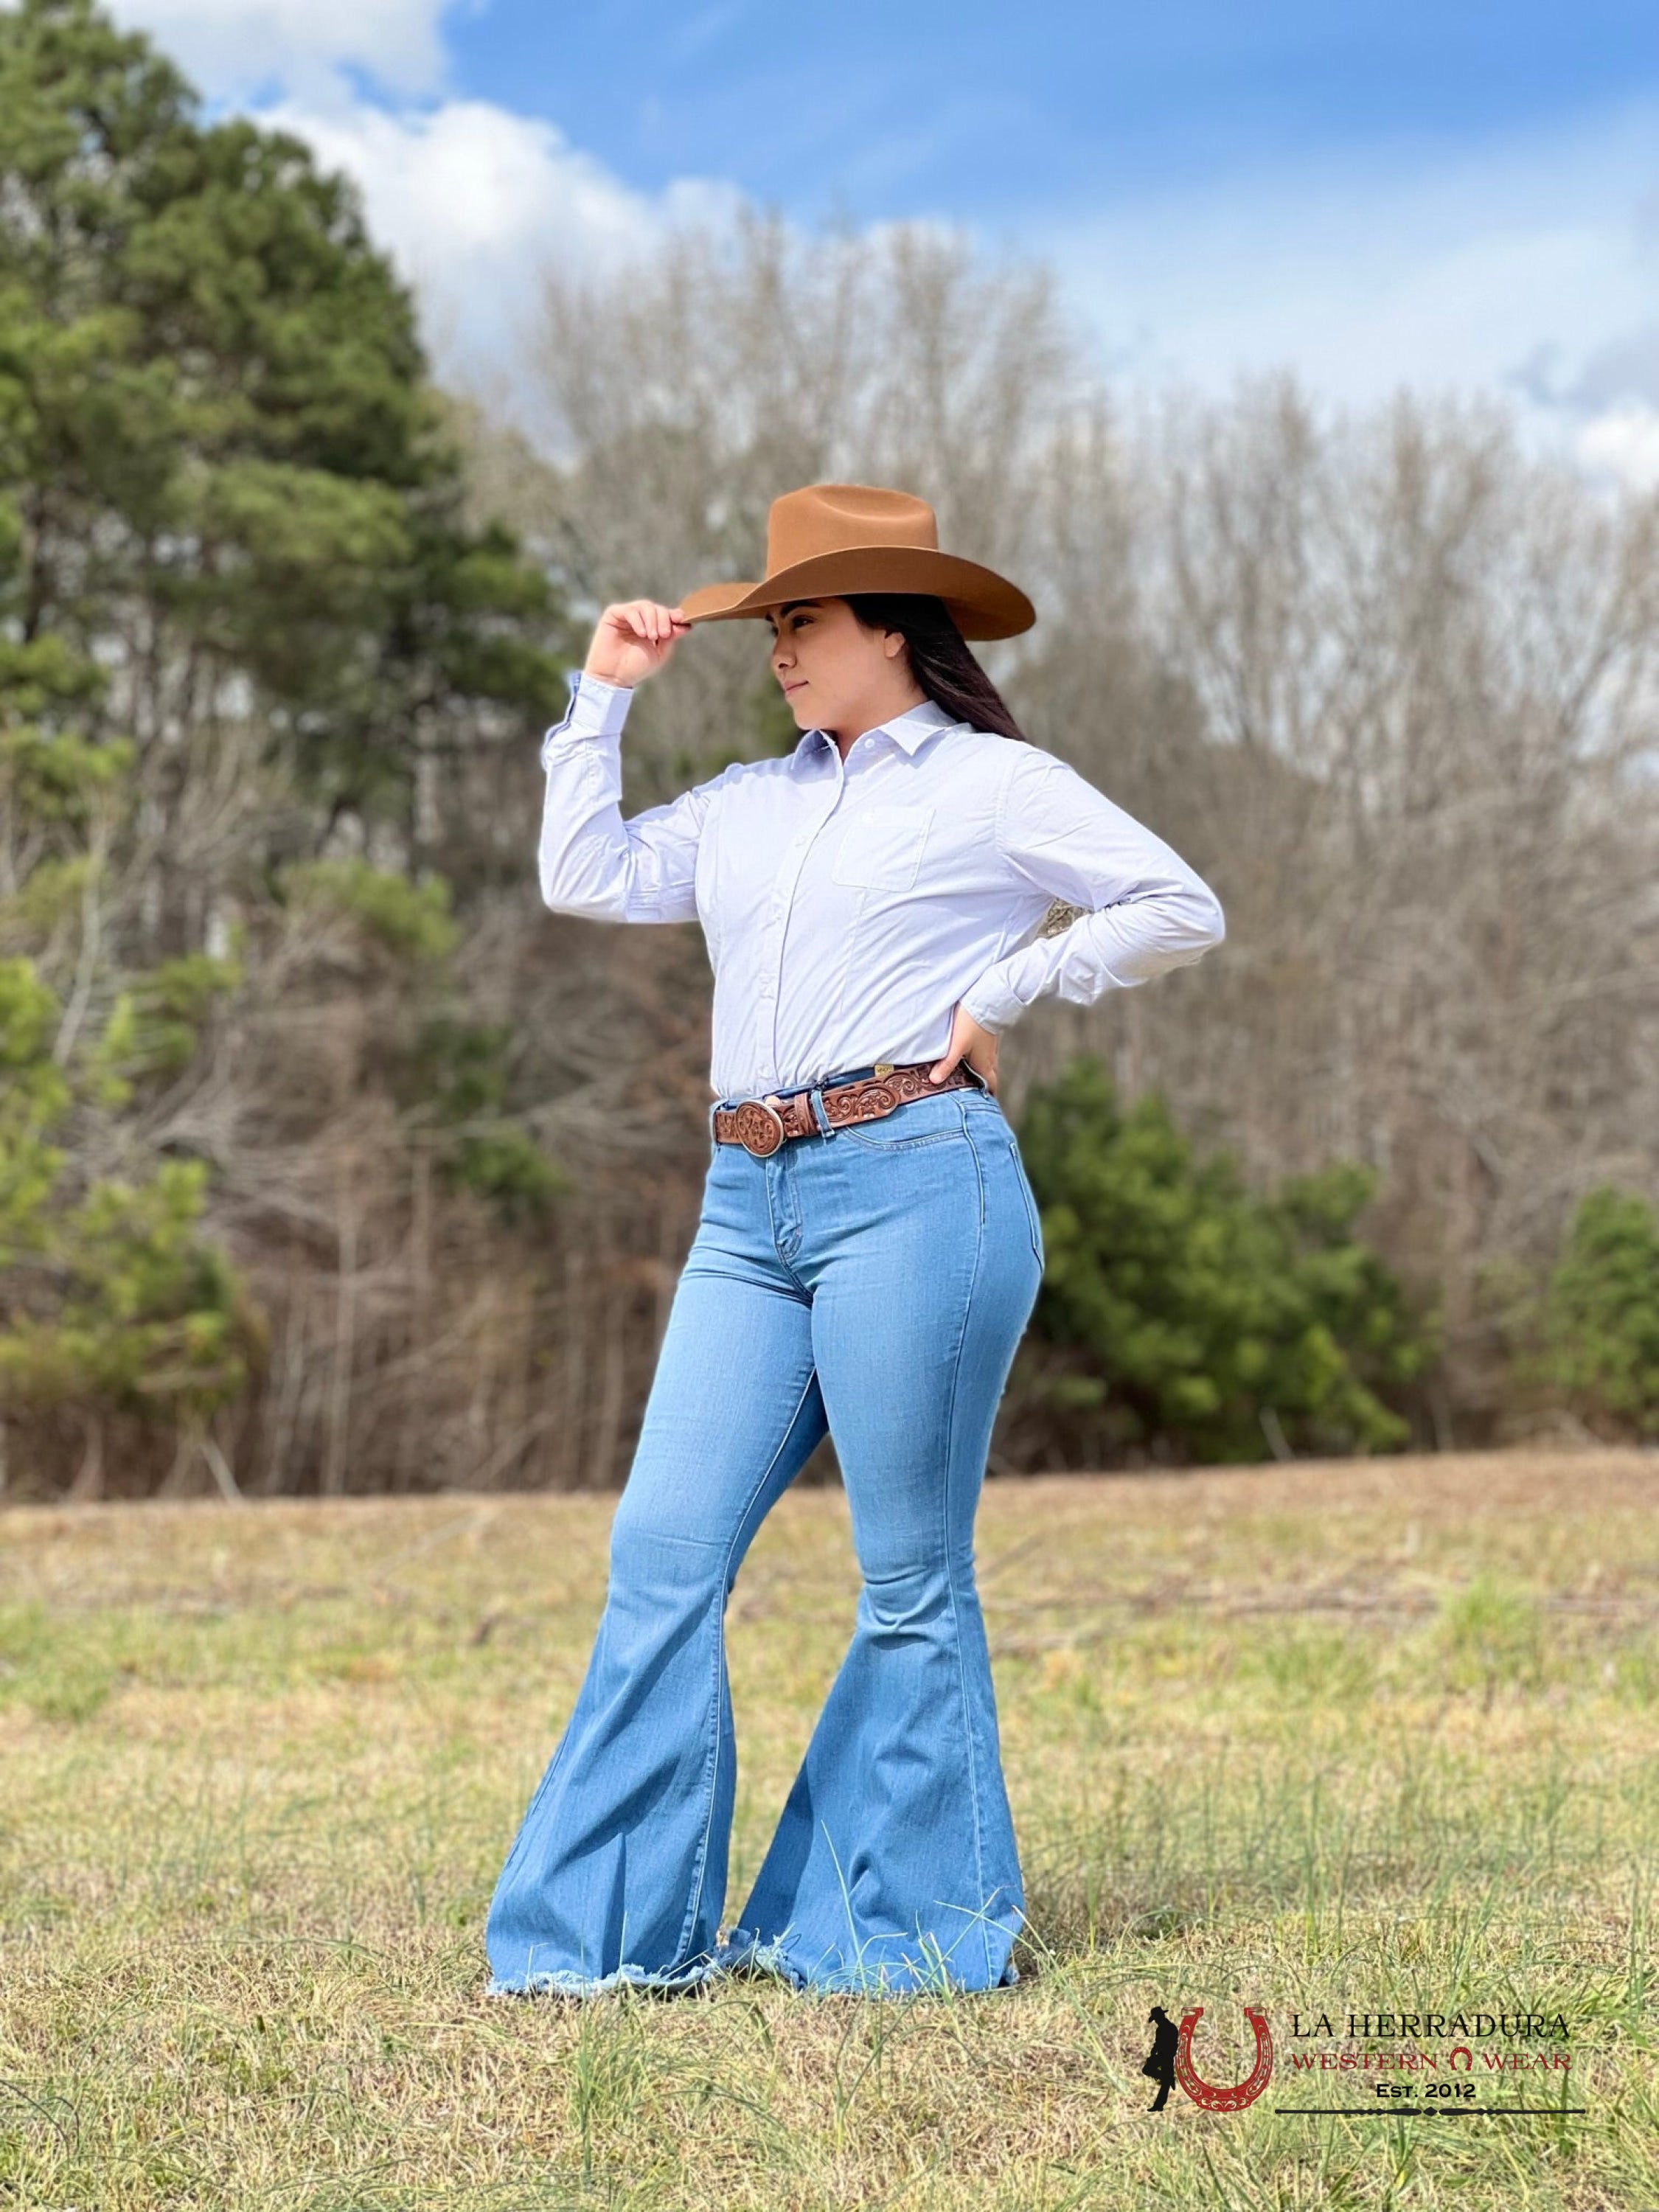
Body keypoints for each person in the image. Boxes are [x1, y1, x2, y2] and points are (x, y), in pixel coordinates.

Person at [484, 483, 1226, 1999]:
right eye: (769, 623)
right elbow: (588, 874)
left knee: (907, 1578)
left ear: (893, 624)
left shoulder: (989, 784)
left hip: (918, 1183)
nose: (776, 649)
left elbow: (1178, 902)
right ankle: (595, 1952)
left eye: (802, 619)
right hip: (744, 1209)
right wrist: (600, 703)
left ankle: (896, 1941)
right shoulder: (750, 805)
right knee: (660, 1558)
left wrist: (1010, 993)